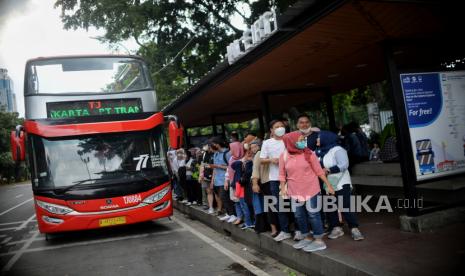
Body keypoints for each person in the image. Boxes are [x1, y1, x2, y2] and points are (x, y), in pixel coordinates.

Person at [279, 131, 335, 252]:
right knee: (299, 214)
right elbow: (282, 174)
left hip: (311, 188)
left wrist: (328, 185)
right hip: (294, 190)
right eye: (299, 140)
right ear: (291, 141)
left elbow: (319, 171)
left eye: (303, 139)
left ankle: (319, 240)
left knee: (313, 214)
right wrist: (283, 188)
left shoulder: (309, 153)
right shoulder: (283, 156)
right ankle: (307, 237)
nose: (302, 141)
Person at [316, 131, 364, 241]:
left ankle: (354, 228)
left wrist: (329, 170)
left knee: (345, 205)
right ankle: (336, 228)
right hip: (327, 183)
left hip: (341, 182)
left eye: (319, 138)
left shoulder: (338, 150)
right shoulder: (320, 152)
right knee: (330, 206)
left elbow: (344, 164)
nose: (317, 140)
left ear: (326, 138)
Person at [260, 120, 289, 241]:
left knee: (296, 204)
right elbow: (262, 160)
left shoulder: (289, 139)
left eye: (282, 126)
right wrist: (272, 160)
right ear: (271, 130)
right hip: (275, 179)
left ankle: (299, 230)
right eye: (277, 127)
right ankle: (285, 230)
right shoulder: (267, 143)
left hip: (291, 177)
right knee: (280, 205)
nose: (280, 128)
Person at [251, 139, 273, 234]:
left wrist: (255, 183)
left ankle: (272, 228)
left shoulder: (259, 154)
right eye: (251, 147)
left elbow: (255, 171)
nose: (252, 149)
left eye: (254, 147)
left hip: (266, 183)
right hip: (269, 182)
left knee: (270, 207)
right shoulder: (264, 153)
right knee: (273, 206)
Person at [210, 137, 234, 219]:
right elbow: (214, 169)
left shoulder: (227, 153)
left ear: (217, 144)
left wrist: (218, 166)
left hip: (225, 180)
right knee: (222, 198)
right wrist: (212, 181)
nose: (212, 146)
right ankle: (228, 213)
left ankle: (232, 214)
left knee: (226, 197)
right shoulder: (215, 154)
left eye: (213, 144)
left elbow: (231, 167)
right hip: (217, 180)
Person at [199, 144, 215, 214]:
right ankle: (211, 207)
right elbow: (202, 165)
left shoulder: (215, 153)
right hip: (206, 175)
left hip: (215, 175)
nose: (204, 147)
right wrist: (200, 175)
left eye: (206, 146)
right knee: (209, 191)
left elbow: (215, 166)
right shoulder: (204, 154)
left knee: (217, 193)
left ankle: (220, 208)